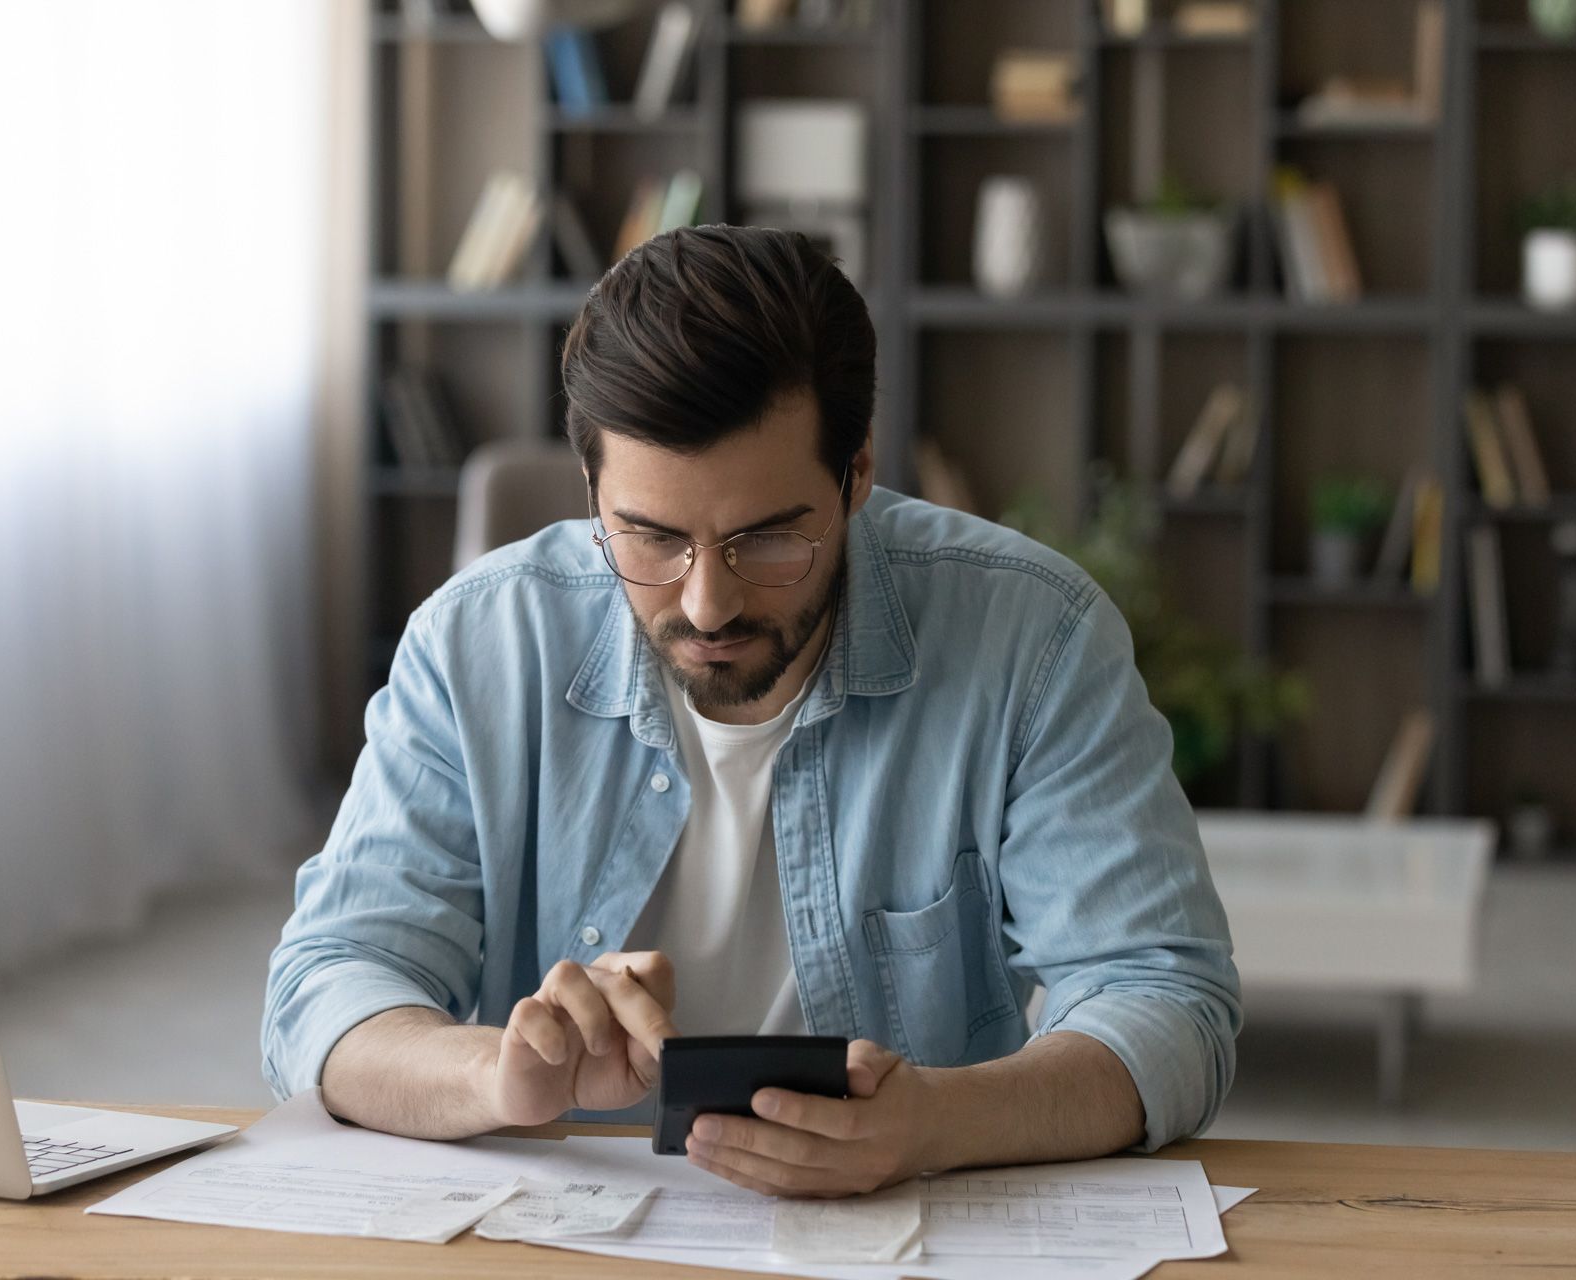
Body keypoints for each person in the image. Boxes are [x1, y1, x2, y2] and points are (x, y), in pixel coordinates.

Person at [263, 224, 1240, 1199]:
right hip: (568, 1235)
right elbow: (331, 981)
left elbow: (1163, 998)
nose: (706, 604)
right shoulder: (476, 642)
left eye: (764, 542)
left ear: (855, 474)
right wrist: (497, 1074)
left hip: (906, 1229)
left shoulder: (1033, 638)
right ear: (593, 491)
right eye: (649, 538)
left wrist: (933, 1119)